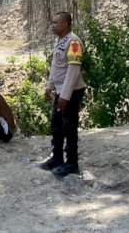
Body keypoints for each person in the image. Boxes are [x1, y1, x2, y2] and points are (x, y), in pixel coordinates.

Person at [39, 11, 87, 177]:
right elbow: (56, 66)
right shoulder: (60, 40)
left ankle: (72, 163)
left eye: (55, 23)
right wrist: (49, 86)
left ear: (64, 24)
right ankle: (57, 157)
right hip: (60, 90)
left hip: (71, 92)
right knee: (56, 125)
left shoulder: (73, 42)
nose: (52, 25)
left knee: (69, 127)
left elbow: (73, 70)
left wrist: (65, 96)